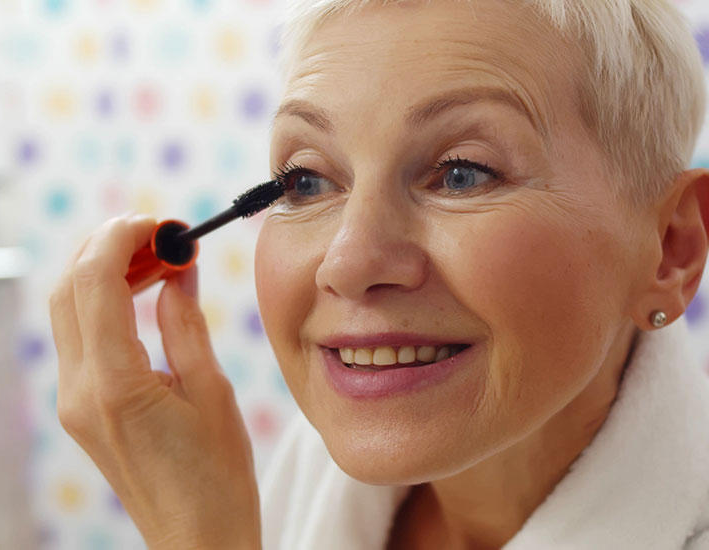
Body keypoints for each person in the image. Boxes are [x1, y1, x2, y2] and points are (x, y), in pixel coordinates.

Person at [49, 0, 709, 548]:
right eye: (306, 181)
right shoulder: (305, 479)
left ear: (670, 249)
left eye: (461, 173)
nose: (349, 262)